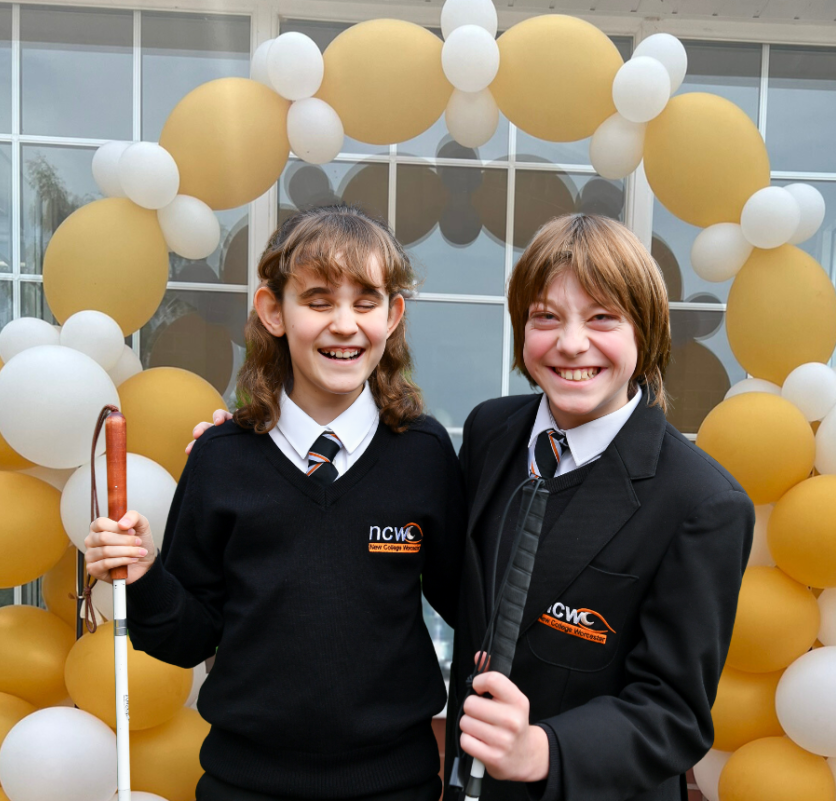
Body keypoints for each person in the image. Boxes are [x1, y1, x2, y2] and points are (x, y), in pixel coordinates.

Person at [192, 213, 754, 801]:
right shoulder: (492, 432)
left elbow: (675, 715)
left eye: (602, 318)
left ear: (647, 328)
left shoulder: (703, 503)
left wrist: (543, 749)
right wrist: (255, 453)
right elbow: (436, 572)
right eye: (546, 317)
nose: (571, 343)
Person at [84, 204, 466, 801]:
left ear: (392, 316)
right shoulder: (220, 457)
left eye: (366, 302)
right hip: (245, 784)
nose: (345, 325)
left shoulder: (424, 452)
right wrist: (145, 576)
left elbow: (469, 602)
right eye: (318, 301)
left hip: (395, 783)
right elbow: (188, 637)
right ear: (273, 312)